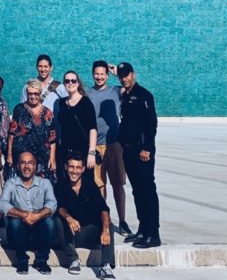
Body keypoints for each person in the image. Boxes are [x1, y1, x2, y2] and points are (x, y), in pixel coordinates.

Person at [117, 62, 160, 248]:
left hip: (142, 150)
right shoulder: (125, 95)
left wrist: (147, 148)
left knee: (147, 191)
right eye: (120, 76)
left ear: (133, 74)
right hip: (128, 150)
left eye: (126, 75)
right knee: (137, 191)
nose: (124, 78)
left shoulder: (144, 95)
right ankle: (143, 230)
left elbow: (152, 124)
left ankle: (153, 233)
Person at [54, 153, 115, 278]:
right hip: (69, 235)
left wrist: (105, 230)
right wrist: (69, 218)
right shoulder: (60, 186)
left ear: (82, 169)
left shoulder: (90, 186)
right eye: (71, 167)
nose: (74, 171)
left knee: (108, 223)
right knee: (58, 220)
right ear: (66, 167)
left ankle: (106, 266)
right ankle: (73, 260)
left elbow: (103, 209)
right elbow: (59, 207)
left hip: (89, 234)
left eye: (77, 168)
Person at [0, 151, 56, 275]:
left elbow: (52, 204)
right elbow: (2, 204)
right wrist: (24, 215)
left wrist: (36, 216)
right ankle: (22, 260)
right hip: (17, 235)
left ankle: (41, 261)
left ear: (35, 166)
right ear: (18, 166)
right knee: (14, 222)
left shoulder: (45, 183)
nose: (26, 166)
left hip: (38, 234)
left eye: (30, 163)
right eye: (23, 163)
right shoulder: (11, 183)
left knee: (50, 222)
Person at [92, 61, 129, 236]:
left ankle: (122, 221)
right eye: (96, 74)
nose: (99, 77)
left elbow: (130, 88)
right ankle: (103, 219)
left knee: (117, 185)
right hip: (96, 145)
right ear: (93, 74)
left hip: (114, 145)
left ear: (107, 75)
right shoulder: (88, 94)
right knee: (99, 185)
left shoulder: (115, 91)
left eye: (102, 74)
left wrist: (117, 74)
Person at [7, 79, 57, 180]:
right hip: (22, 159)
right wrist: (9, 155)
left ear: (40, 93)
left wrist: (52, 158)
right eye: (30, 94)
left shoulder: (48, 112)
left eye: (36, 93)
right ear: (26, 93)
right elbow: (11, 133)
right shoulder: (19, 109)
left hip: (42, 159)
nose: (33, 96)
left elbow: (52, 138)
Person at [54, 71, 96, 183]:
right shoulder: (61, 103)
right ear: (64, 84)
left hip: (83, 150)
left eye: (73, 81)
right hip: (65, 151)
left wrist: (91, 153)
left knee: (86, 183)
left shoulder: (86, 102)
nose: (70, 83)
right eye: (67, 81)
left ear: (78, 83)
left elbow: (93, 128)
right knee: (66, 183)